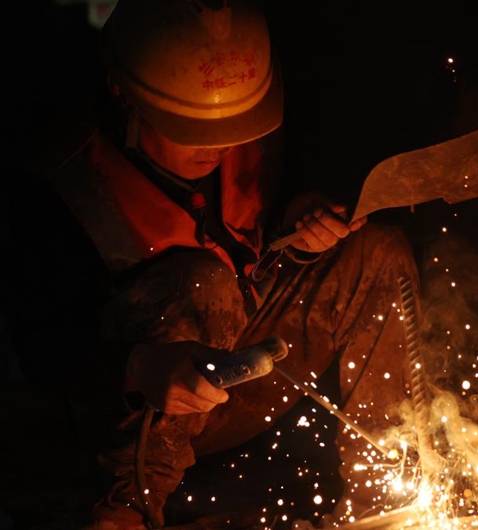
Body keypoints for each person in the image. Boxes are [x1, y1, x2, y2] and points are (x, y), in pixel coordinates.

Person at [3, 0, 422, 528]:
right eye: (190, 129)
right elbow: (38, 349)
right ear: (120, 92)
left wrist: (299, 226)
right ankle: (127, 510)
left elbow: (272, 221)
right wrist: (137, 366)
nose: (219, 145)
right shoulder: (61, 182)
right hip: (126, 410)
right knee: (201, 281)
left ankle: (389, 493)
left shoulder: (248, 118)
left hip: (236, 379)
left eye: (233, 126)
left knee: (375, 252)